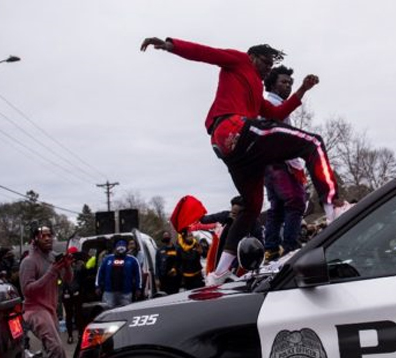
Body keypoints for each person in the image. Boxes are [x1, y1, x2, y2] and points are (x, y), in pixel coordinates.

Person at [141, 37, 340, 285]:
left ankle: (218, 273)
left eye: (270, 67)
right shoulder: (239, 60)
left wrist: (301, 91)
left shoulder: (256, 90)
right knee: (312, 143)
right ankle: (334, 209)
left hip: (229, 149)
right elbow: (207, 52)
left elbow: (276, 113)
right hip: (232, 128)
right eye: (266, 63)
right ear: (253, 56)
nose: (267, 70)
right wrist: (171, 45)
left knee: (252, 206)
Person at [262, 66, 308, 261]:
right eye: (284, 82)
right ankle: (290, 246)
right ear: (272, 84)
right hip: (279, 162)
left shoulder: (275, 104)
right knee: (296, 201)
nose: (288, 86)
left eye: (290, 83)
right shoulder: (270, 105)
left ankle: (271, 249)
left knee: (278, 207)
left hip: (269, 164)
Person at [19, 226, 73, 358]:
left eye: (50, 235)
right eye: (43, 236)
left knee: (50, 350)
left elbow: (68, 279)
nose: (48, 238)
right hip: (35, 311)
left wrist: (67, 266)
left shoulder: (53, 257)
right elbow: (27, 291)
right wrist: (52, 272)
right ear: (35, 239)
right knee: (56, 349)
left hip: (51, 309)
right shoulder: (29, 261)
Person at [95, 240, 142, 308]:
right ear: (115, 248)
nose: (121, 249)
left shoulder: (132, 260)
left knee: (126, 311)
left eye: (123, 247)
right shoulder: (107, 259)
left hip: (126, 292)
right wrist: (98, 286)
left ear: (126, 248)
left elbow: (138, 275)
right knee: (108, 311)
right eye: (119, 247)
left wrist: (138, 288)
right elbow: (100, 273)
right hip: (109, 292)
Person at [61, 246, 85, 344]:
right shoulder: (63, 265)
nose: (72, 257)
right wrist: (65, 291)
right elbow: (61, 279)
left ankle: (80, 333)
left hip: (77, 293)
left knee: (79, 314)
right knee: (69, 315)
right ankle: (70, 335)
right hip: (67, 294)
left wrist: (79, 290)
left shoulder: (80, 264)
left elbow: (83, 279)